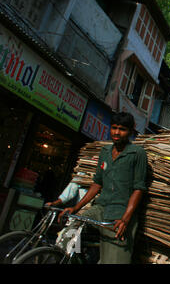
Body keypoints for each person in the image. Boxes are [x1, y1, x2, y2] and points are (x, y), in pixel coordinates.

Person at [59, 112, 148, 264]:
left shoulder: (138, 153)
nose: (117, 132)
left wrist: (125, 220)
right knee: (68, 235)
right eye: (114, 128)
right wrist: (76, 208)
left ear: (130, 132)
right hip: (100, 208)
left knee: (114, 260)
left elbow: (138, 188)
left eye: (122, 129)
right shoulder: (105, 152)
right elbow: (97, 183)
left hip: (119, 213)